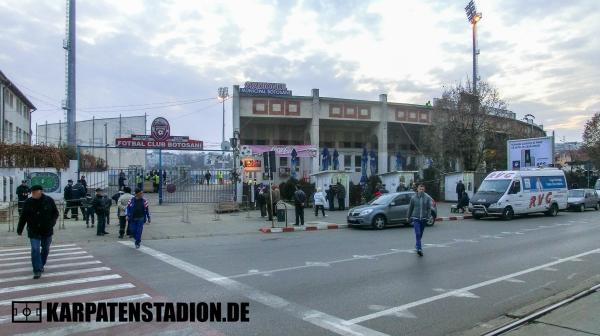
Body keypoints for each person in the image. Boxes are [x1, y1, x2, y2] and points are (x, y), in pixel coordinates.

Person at [17, 185, 59, 279]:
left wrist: (52, 223)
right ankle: (37, 270)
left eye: (35, 192)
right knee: (35, 249)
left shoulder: (49, 200)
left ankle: (41, 264)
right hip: (33, 230)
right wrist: (20, 229)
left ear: (41, 191)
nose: (33, 194)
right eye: (32, 192)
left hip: (47, 230)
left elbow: (55, 213)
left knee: (46, 249)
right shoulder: (28, 202)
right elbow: (23, 216)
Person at [407, 184, 433, 257]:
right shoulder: (413, 198)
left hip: (424, 219)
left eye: (422, 189)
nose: (421, 190)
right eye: (420, 189)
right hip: (416, 218)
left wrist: (428, 216)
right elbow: (410, 208)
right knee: (418, 233)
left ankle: (417, 244)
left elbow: (429, 208)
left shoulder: (427, 198)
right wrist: (408, 217)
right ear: (417, 189)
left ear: (424, 190)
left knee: (420, 234)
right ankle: (419, 249)